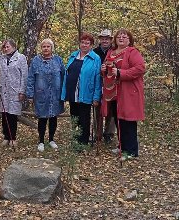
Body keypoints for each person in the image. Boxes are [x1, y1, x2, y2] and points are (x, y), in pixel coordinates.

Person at [101, 28, 145, 161]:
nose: (121, 38)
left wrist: (121, 73)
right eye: (119, 36)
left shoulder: (132, 52)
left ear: (129, 40)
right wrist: (103, 69)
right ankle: (122, 146)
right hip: (114, 92)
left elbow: (140, 68)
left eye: (124, 37)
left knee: (128, 120)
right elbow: (108, 69)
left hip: (128, 91)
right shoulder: (111, 52)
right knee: (118, 118)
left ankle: (131, 150)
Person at [62, 32, 102, 147]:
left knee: (84, 119)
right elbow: (67, 74)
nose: (84, 45)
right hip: (72, 93)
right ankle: (75, 139)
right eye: (82, 42)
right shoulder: (73, 55)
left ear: (91, 45)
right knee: (74, 118)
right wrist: (64, 93)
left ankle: (83, 142)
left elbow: (97, 79)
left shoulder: (95, 58)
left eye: (87, 43)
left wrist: (96, 97)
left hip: (86, 94)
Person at [26, 38, 65, 152]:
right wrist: (29, 93)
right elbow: (31, 78)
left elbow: (63, 75)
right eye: (44, 46)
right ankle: (41, 141)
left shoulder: (58, 60)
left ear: (52, 48)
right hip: (41, 94)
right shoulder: (36, 61)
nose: (46, 48)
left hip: (55, 94)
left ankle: (51, 139)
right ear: (41, 48)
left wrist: (64, 92)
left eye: (48, 46)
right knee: (42, 118)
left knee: (53, 117)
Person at [0, 39, 28, 148]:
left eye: (8, 47)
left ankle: (13, 138)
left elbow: (24, 75)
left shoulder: (21, 58)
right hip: (4, 90)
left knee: (12, 115)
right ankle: (6, 137)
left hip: (15, 90)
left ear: (14, 47)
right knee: (4, 114)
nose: (6, 49)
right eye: (4, 47)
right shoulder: (1, 57)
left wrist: (22, 91)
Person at [93, 29, 116, 144]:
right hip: (98, 83)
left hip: (112, 84)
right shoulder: (94, 52)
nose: (105, 40)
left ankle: (109, 134)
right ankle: (98, 133)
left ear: (111, 40)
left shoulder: (115, 51)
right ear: (100, 40)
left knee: (111, 109)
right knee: (98, 108)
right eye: (103, 38)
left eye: (107, 38)